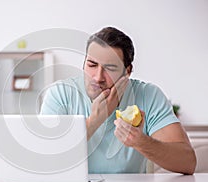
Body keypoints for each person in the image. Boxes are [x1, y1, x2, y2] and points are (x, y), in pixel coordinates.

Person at [40, 27, 196, 174]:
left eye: (110, 68)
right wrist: (94, 121)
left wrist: (141, 142)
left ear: (127, 71)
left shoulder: (148, 95)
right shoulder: (60, 94)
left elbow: (188, 162)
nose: (98, 77)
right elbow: (45, 160)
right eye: (92, 65)